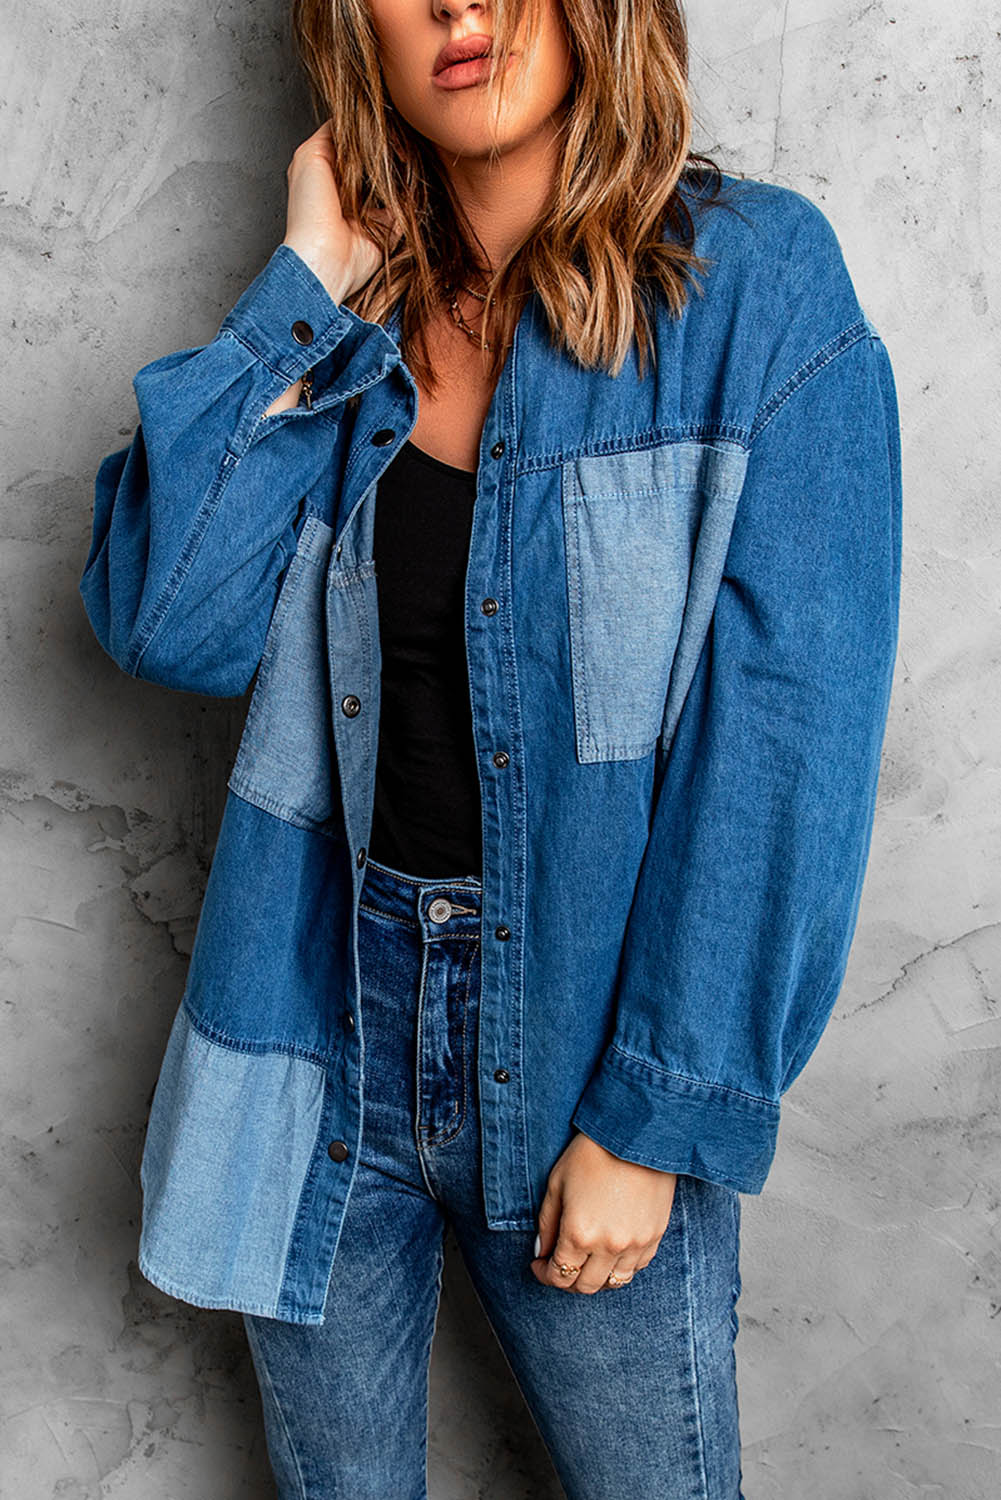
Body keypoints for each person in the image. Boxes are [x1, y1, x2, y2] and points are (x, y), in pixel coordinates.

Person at [78, 0, 902, 1493]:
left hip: (589, 1042)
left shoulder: (757, 291)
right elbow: (163, 618)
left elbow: (786, 749)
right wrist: (303, 286)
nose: (457, 7)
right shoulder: (351, 318)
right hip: (315, 1019)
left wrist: (652, 1119)